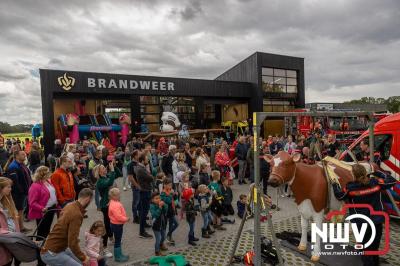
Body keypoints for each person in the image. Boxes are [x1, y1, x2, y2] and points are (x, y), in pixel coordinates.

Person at [332, 165, 396, 266]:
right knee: (374, 249)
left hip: (361, 224)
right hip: (377, 222)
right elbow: (392, 180)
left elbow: (339, 196)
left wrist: (335, 185)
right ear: (366, 173)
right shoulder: (376, 183)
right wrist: (377, 172)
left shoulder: (350, 188)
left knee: (365, 251)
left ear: (353, 175)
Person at [41, 188, 93, 266]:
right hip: (52, 252)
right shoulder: (77, 214)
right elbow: (72, 242)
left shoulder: (70, 205)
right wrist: (84, 257)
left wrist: (82, 256)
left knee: (81, 262)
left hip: (57, 248)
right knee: (83, 261)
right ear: (88, 198)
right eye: (90, 200)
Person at [28, 166, 58, 255]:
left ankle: (44, 249)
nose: (50, 173)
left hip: (51, 209)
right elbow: (32, 202)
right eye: (48, 172)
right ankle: (39, 253)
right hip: (43, 212)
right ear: (43, 174)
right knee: (41, 233)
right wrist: (42, 208)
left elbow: (53, 194)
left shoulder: (48, 181)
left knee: (46, 231)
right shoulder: (35, 185)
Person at [94, 161, 116, 258]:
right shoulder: (100, 181)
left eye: (104, 167)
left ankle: (111, 238)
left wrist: (114, 167)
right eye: (103, 168)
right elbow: (110, 182)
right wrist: (112, 170)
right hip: (105, 205)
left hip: (110, 204)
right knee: (106, 225)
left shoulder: (106, 177)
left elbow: (118, 174)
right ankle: (104, 248)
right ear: (99, 172)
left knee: (110, 223)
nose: (104, 168)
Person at [6, 150, 32, 232]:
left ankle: (21, 227)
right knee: (18, 210)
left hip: (23, 192)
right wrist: (22, 191)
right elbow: (15, 182)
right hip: (18, 194)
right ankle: (19, 228)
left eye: (24, 154)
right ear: (17, 156)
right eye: (22, 154)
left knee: (20, 210)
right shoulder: (13, 166)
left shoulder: (21, 164)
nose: (25, 155)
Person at [0, 177, 20, 266]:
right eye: (8, 187)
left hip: (11, 241)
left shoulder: (6, 200)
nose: (10, 189)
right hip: (4, 241)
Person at [108, 188, 130, 262]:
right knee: (117, 240)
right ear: (113, 196)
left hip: (115, 224)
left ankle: (120, 254)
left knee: (118, 240)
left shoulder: (113, 202)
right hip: (117, 225)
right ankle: (118, 257)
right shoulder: (115, 205)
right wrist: (126, 219)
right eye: (118, 195)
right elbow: (118, 216)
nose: (119, 196)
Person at [136, 153, 154, 238]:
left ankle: (143, 227)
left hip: (146, 190)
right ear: (143, 160)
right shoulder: (141, 169)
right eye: (147, 159)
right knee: (144, 212)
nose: (148, 160)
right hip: (144, 191)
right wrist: (149, 170)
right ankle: (141, 232)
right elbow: (151, 177)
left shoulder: (141, 168)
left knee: (145, 211)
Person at [150, 192, 168, 256]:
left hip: (162, 224)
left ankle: (161, 245)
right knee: (158, 238)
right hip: (156, 226)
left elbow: (166, 209)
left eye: (159, 198)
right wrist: (160, 208)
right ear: (152, 200)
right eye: (156, 198)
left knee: (164, 236)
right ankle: (157, 251)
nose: (158, 199)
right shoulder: (152, 206)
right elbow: (155, 215)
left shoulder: (160, 203)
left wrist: (164, 205)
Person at [161, 178, 179, 244]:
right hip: (166, 212)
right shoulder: (163, 193)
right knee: (166, 226)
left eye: (171, 185)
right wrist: (171, 194)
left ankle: (169, 235)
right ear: (164, 185)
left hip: (172, 210)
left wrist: (175, 194)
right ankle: (164, 238)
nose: (170, 186)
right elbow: (168, 201)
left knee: (174, 224)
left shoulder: (171, 191)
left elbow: (175, 200)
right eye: (168, 185)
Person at [127, 150, 140, 223]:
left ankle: (140, 215)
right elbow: (130, 177)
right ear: (135, 156)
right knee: (136, 202)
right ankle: (135, 217)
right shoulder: (130, 165)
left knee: (140, 201)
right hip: (136, 186)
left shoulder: (139, 163)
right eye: (138, 154)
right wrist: (137, 185)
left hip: (140, 185)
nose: (140, 155)